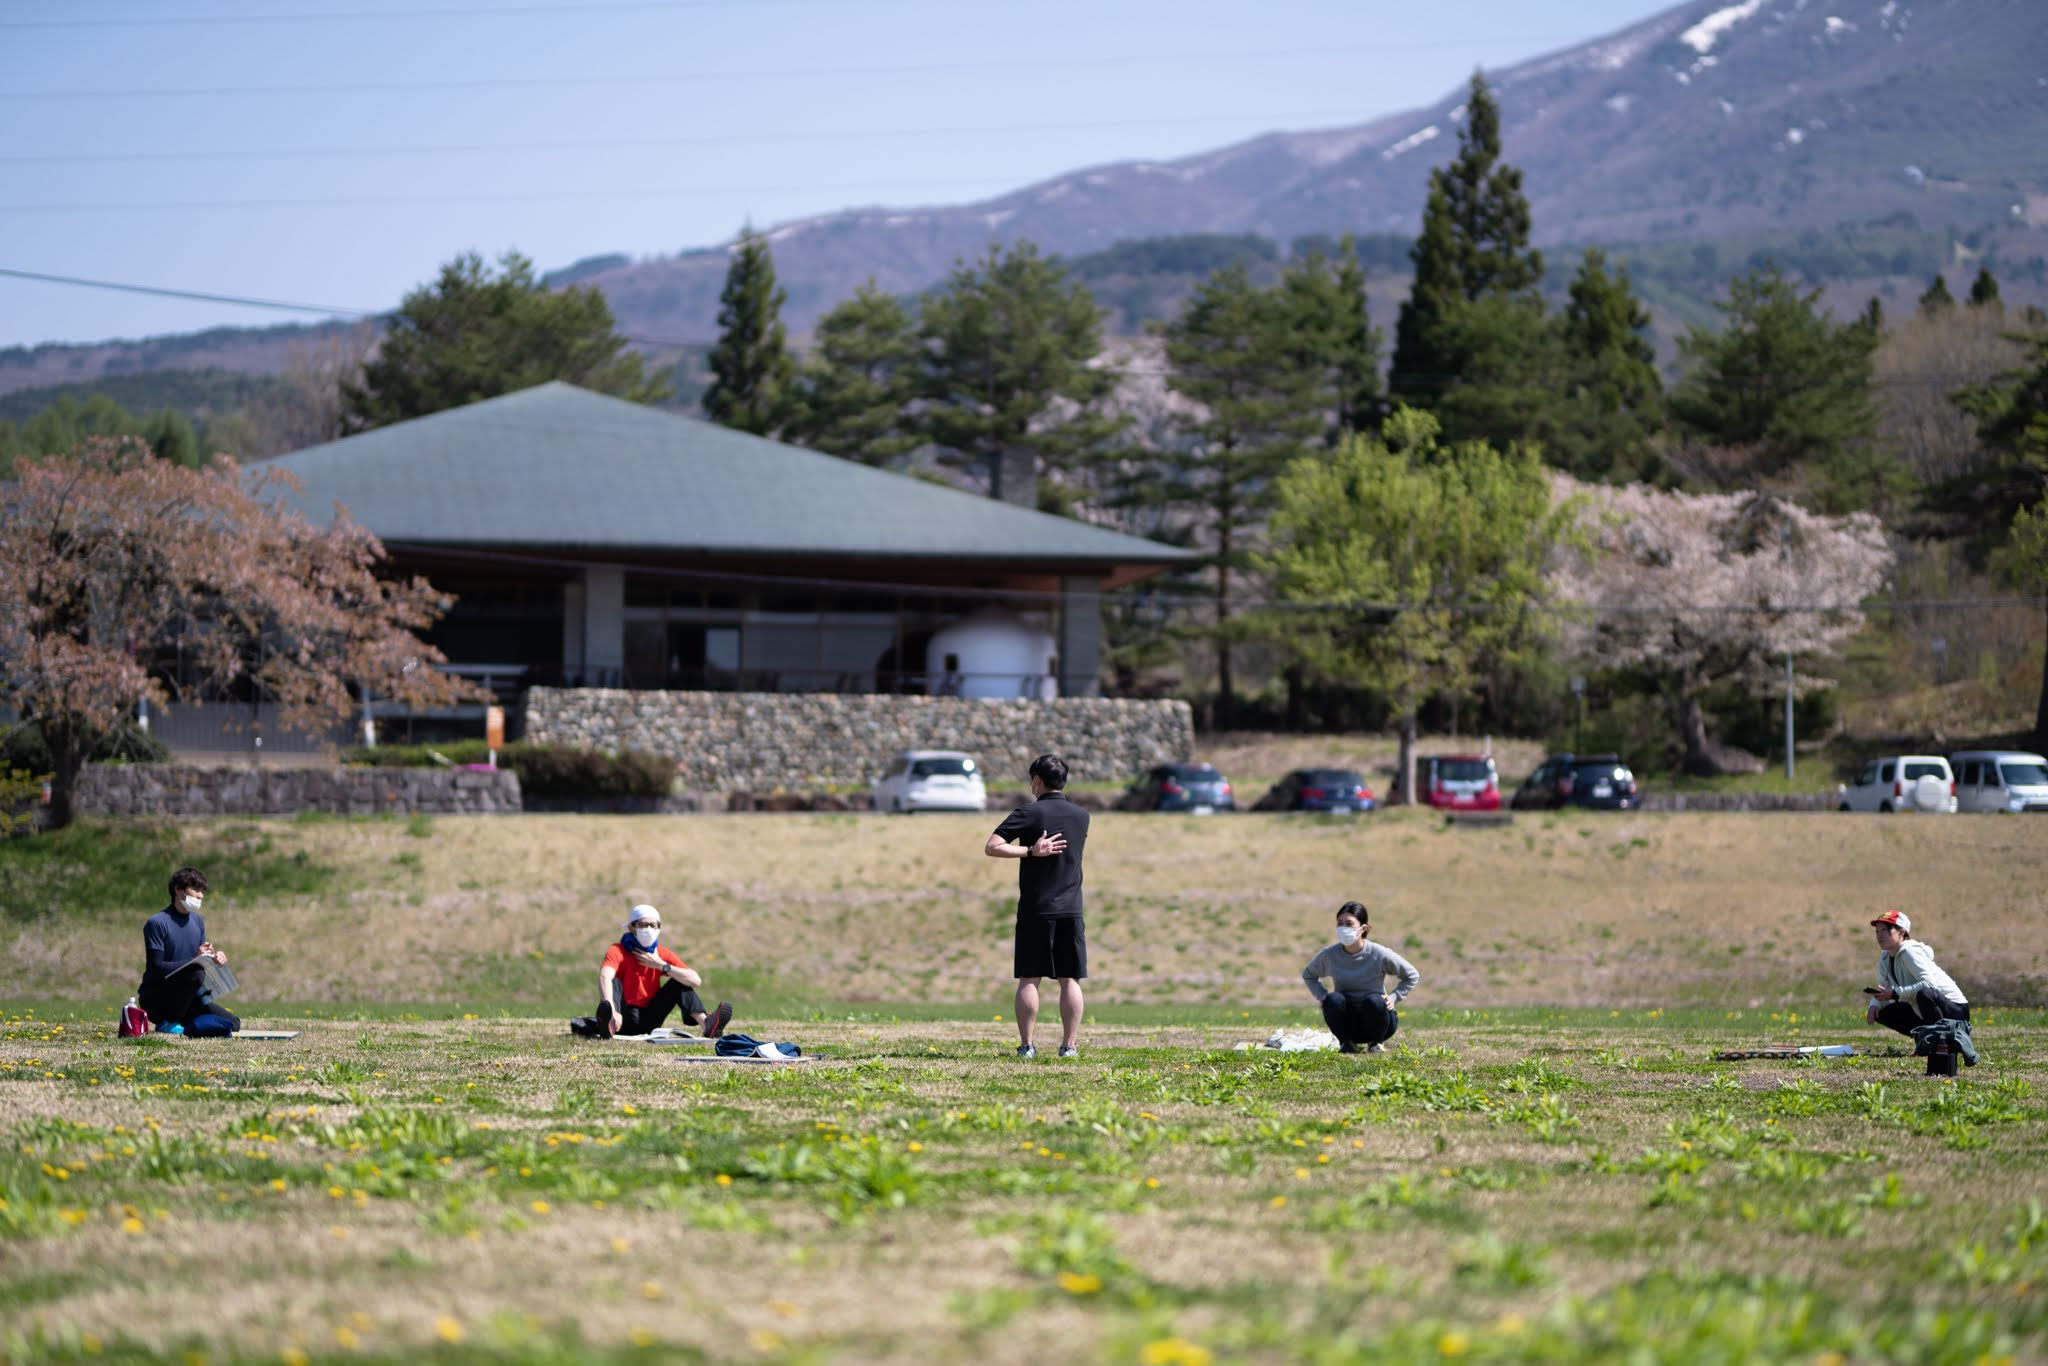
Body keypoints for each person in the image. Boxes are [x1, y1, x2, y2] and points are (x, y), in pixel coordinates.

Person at [985, 753, 1089, 1059]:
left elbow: (992, 847)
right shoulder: (1082, 816)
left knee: (1030, 978)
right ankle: (1069, 1047)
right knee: (1069, 979)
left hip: (1036, 908)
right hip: (1071, 908)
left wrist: (1030, 850)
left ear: (1036, 781)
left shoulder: (1028, 814)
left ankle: (1027, 1046)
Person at [570, 904, 733, 1039]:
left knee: (679, 980)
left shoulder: (661, 954)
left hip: (649, 1018)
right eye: (643, 924)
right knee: (614, 982)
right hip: (623, 1017)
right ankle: (609, 1022)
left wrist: (662, 966)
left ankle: (707, 1024)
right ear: (631, 927)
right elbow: (605, 975)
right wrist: (612, 1009)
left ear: (659, 928)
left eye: (652, 925)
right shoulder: (617, 950)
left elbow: (695, 980)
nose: (648, 929)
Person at [1300, 901, 1419, 1054]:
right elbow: (1309, 974)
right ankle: (1346, 1044)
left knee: (1375, 1001)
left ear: (1363, 928)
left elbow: (1411, 974)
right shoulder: (1330, 955)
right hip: (1348, 1023)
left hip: (1379, 1022)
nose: (1343, 928)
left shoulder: (1378, 953)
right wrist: (1321, 995)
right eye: (1339, 923)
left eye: (1349, 924)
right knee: (1332, 999)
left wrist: (1395, 997)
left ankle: (1376, 1044)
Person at [137, 867, 240, 1037]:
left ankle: (186, 1025)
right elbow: (156, 968)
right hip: (157, 999)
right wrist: (195, 959)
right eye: (196, 890)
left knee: (233, 1024)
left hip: (187, 999)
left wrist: (214, 959)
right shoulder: (156, 923)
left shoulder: (198, 921)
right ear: (178, 890)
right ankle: (168, 1024)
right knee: (195, 973)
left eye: (202, 891)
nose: (200, 896)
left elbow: (200, 960)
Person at [1865, 909, 1969, 1037]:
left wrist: (1896, 993)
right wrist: (1874, 1005)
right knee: (1881, 1012)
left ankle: (1938, 1043)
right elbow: (1883, 988)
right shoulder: (1885, 957)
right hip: (1925, 1007)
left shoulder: (1910, 952)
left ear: (1902, 932)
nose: (1879, 935)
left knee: (1924, 994)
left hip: (1957, 1011)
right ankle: (1923, 1040)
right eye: (1877, 931)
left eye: (1885, 930)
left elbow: (1929, 986)